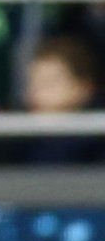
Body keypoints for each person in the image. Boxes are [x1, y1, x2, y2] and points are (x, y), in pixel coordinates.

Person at [19, 37, 104, 165]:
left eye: (49, 83)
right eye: (32, 83)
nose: (35, 94)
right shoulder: (16, 143)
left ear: (84, 87)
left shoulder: (97, 145)